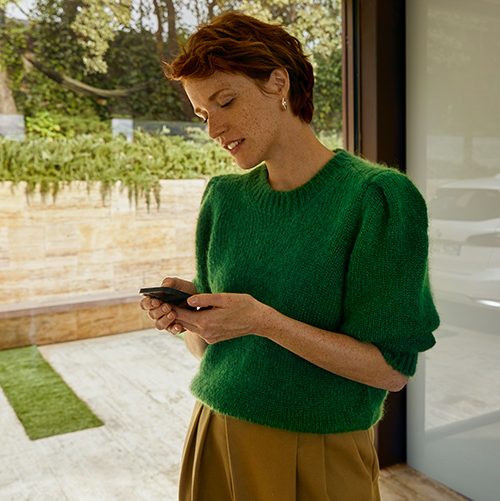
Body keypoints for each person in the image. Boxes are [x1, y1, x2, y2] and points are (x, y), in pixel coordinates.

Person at [140, 12, 439, 501]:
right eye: (201, 114)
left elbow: (390, 369)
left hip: (319, 450)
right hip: (215, 432)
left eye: (225, 101)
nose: (213, 128)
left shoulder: (377, 199)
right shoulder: (223, 199)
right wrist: (195, 320)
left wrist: (263, 321)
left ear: (278, 82)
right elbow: (215, 351)